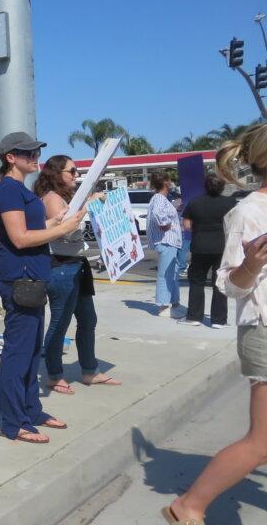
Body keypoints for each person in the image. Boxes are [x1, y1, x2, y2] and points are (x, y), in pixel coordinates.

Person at [164, 126, 267, 524]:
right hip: (262, 328)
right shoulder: (247, 211)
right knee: (261, 444)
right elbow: (227, 284)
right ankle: (189, 506)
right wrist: (252, 264)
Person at [0, 132, 85, 444]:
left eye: (35, 150)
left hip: (32, 276)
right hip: (20, 278)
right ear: (10, 158)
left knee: (31, 349)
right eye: (26, 152)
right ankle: (13, 422)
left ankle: (31, 409)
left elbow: (33, 228)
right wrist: (63, 229)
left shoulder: (21, 189)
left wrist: (58, 222)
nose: (34, 156)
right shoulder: (9, 191)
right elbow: (19, 238)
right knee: (18, 351)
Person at [34, 155, 120, 395]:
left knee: (88, 319)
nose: (76, 175)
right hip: (61, 266)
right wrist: (86, 208)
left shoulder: (66, 198)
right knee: (60, 323)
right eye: (71, 171)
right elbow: (65, 232)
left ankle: (89, 370)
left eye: (77, 171)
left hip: (76, 265)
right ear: (56, 174)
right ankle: (54, 374)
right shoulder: (51, 198)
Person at [178, 174, 236, 328]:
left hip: (200, 247)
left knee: (197, 281)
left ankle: (194, 317)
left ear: (205, 186)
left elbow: (187, 226)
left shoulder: (195, 202)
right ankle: (219, 320)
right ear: (222, 187)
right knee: (220, 282)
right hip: (221, 247)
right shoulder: (230, 202)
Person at [148, 172, 184, 318]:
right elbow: (158, 214)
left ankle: (174, 303)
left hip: (171, 242)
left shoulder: (163, 199)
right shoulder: (158, 198)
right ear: (165, 183)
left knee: (173, 274)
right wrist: (165, 225)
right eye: (169, 180)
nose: (172, 183)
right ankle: (163, 306)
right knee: (166, 275)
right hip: (166, 241)